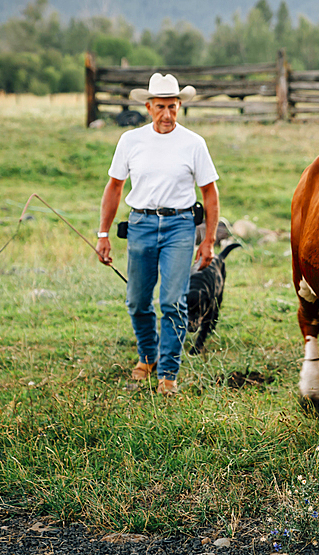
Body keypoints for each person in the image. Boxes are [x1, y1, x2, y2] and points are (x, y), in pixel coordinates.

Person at [96, 73, 220, 396]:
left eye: (173, 107)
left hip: (180, 226)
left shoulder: (194, 144)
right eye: (161, 107)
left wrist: (207, 240)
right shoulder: (130, 141)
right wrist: (102, 234)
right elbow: (114, 187)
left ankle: (168, 371)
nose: (167, 115)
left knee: (172, 301)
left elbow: (209, 193)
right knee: (137, 300)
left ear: (180, 107)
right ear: (149, 107)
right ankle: (148, 355)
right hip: (141, 224)